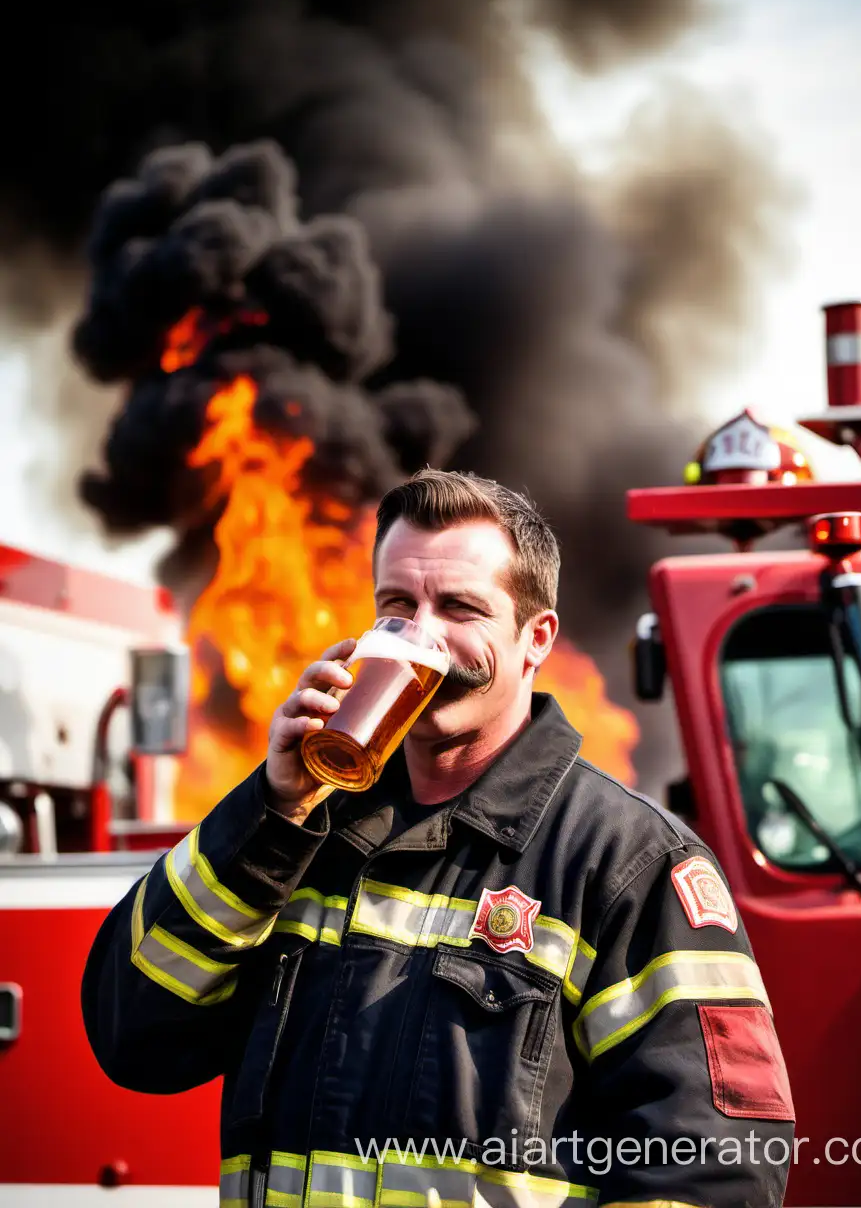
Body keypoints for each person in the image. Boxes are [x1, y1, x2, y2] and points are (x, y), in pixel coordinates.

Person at [82, 469, 795, 1208]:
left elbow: (713, 1170)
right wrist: (271, 812)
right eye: (397, 606)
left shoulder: (628, 863)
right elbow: (133, 1033)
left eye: (460, 607)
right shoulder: (299, 828)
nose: (422, 636)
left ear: (536, 638)